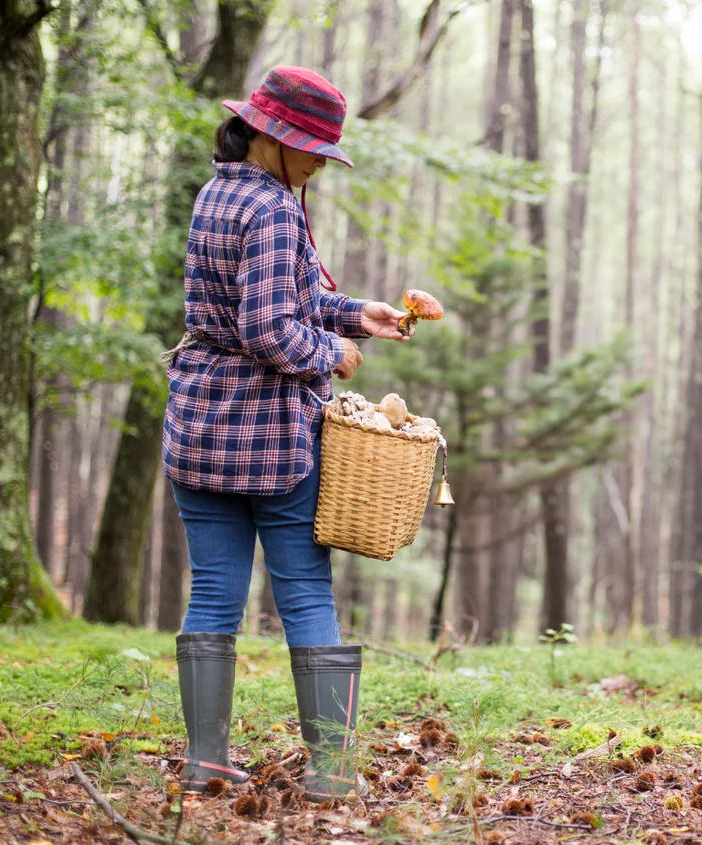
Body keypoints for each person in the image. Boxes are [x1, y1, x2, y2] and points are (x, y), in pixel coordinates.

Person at [162, 66, 405, 802]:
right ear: (272, 136)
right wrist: (336, 352)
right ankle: (331, 771)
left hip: (201, 424)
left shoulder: (218, 192)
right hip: (270, 435)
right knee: (303, 591)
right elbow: (271, 329)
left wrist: (354, 311)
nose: (317, 167)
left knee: (213, 594)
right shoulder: (270, 209)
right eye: (311, 151)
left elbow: (275, 297)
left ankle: (206, 759)